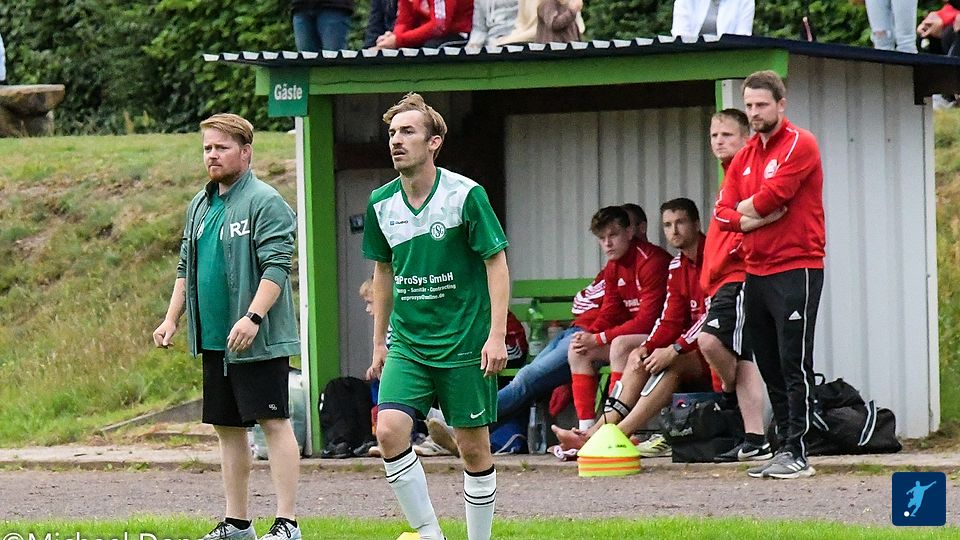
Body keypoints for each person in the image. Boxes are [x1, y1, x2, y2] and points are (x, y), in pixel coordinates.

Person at [363, 93, 509, 540]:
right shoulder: (380, 202)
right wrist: (379, 342)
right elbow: (383, 271)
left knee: (473, 449)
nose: (396, 140)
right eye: (392, 133)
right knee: (389, 431)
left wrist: (496, 335)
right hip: (409, 342)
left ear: (434, 143)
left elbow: (496, 262)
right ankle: (430, 533)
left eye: (408, 132)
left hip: (464, 342)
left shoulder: (465, 195)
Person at [153, 113, 302, 540]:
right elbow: (186, 267)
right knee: (228, 429)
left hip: (258, 339)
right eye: (207, 148)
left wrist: (253, 317)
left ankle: (288, 523)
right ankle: (237, 523)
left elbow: (276, 267)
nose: (212, 155)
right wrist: (171, 318)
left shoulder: (265, 201)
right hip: (216, 340)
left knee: (273, 422)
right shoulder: (199, 206)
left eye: (221, 147)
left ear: (246, 152)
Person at [715, 70, 826, 480]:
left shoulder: (800, 143)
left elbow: (774, 197)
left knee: (793, 360)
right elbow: (721, 212)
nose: (754, 112)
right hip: (755, 270)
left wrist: (745, 210)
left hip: (797, 266)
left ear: (781, 104)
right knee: (768, 362)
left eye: (761, 104)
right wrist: (750, 219)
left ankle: (799, 450)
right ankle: (782, 447)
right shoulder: (744, 155)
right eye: (749, 105)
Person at [552, 198, 715, 453]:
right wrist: (647, 346)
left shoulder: (711, 258)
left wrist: (674, 348)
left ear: (696, 224)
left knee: (662, 360)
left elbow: (712, 316)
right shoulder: (676, 265)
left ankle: (614, 435)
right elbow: (669, 319)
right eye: (668, 225)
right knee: (637, 356)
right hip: (687, 345)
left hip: (718, 347)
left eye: (681, 222)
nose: (674, 230)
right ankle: (592, 432)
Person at [699, 109, 783, 463]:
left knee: (709, 341)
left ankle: (727, 388)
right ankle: (755, 439)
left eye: (727, 135)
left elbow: (765, 212)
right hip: (718, 281)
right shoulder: (729, 173)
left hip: (736, 277)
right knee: (746, 357)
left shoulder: (750, 170)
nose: (719, 141)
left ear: (745, 138)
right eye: (714, 135)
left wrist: (738, 244)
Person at [565, 206, 671, 432]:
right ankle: (584, 429)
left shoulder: (651, 261)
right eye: (601, 238)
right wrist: (589, 335)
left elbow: (648, 320)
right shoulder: (613, 266)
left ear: (630, 232)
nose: (607, 243)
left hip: (662, 337)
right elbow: (610, 310)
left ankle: (612, 428)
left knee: (620, 345)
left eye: (613, 235)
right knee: (578, 350)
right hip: (639, 338)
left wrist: (599, 338)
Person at [372, 0, 474, 49]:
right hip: (428, 35)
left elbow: (439, 26)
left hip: (459, 34)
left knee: (430, 49)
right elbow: (404, 21)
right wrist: (393, 38)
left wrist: (398, 41)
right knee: (398, 51)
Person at [497, 0, 584, 44]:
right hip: (548, 47)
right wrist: (511, 38)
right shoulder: (546, 5)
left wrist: (510, 40)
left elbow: (578, 28)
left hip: (565, 46)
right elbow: (522, 24)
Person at [671, 0, 755, 38]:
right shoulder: (684, 1)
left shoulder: (746, 1)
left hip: (730, 57)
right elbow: (680, 35)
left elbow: (743, 37)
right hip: (690, 55)